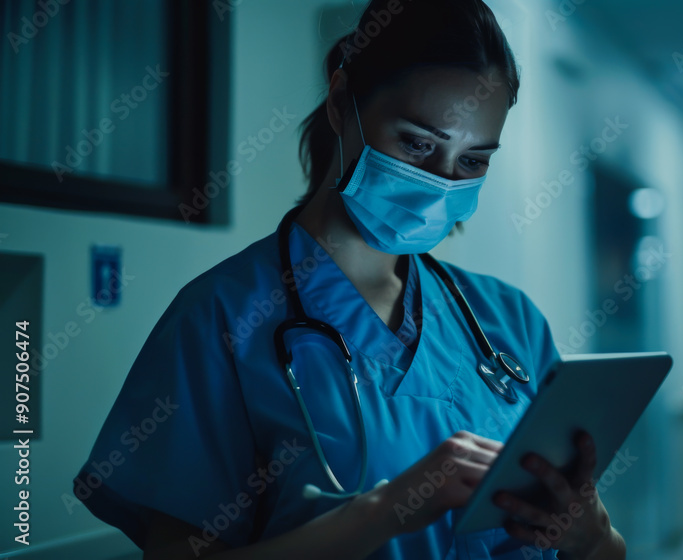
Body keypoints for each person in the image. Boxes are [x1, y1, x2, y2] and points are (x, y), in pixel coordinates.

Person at [72, 1, 626, 558]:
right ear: (342, 103)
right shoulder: (222, 317)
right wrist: (381, 513)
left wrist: (595, 538)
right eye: (417, 144)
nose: (439, 184)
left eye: (472, 161)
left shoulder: (510, 319)